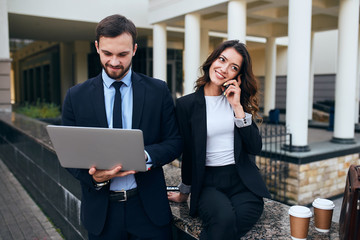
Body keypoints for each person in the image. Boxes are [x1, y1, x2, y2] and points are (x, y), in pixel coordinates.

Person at [62, 14, 182, 239]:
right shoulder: (75, 96)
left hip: (149, 212)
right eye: (107, 53)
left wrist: (143, 156)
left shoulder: (158, 91)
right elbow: (68, 153)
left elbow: (175, 142)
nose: (115, 62)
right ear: (97, 47)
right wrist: (94, 178)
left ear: (135, 49)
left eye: (123, 54)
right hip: (102, 215)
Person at [168, 40, 271, 239]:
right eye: (222, 60)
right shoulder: (186, 105)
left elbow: (255, 147)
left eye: (233, 67)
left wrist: (237, 108)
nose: (224, 69)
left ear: (238, 76)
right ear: (212, 60)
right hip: (208, 182)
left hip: (242, 182)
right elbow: (188, 153)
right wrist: (184, 192)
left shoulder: (238, 101)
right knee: (223, 221)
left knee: (235, 222)